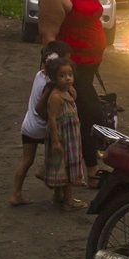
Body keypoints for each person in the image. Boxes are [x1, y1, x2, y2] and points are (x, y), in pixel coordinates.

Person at [37, 0, 106, 188]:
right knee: (92, 115)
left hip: (90, 65)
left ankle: (82, 167)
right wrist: (59, 75)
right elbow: (48, 38)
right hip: (71, 70)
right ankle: (91, 170)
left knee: (83, 117)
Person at [10, 40, 72, 206]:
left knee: (26, 160)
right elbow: (41, 108)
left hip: (28, 126)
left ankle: (16, 194)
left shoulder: (39, 75)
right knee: (59, 156)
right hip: (42, 127)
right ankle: (53, 185)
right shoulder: (51, 86)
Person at [43, 55, 87, 210]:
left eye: (70, 75)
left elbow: (74, 96)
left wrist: (70, 89)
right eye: (62, 76)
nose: (67, 78)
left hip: (71, 137)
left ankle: (58, 197)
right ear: (54, 78)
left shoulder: (68, 92)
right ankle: (68, 200)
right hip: (63, 138)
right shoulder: (55, 97)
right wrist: (55, 141)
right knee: (66, 167)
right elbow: (52, 119)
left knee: (63, 166)